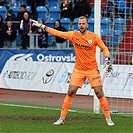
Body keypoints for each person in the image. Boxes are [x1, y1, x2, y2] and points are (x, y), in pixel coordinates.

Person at [32, 16, 114, 126]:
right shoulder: (73, 35)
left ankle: (108, 118)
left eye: (83, 23)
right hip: (79, 69)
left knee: (99, 92)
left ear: (87, 25)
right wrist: (42, 26)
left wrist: (107, 60)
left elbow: (104, 48)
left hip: (92, 69)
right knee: (71, 91)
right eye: (80, 23)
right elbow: (57, 33)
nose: (81, 25)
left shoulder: (94, 37)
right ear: (78, 25)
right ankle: (62, 118)